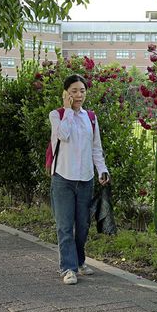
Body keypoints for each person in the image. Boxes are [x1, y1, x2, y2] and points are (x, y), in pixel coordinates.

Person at [49, 74, 110, 285]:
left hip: (85, 179)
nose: (78, 95)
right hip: (63, 179)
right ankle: (68, 267)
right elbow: (62, 136)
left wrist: (102, 169)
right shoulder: (56, 115)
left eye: (82, 91)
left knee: (83, 226)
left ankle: (80, 261)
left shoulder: (90, 117)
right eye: (74, 91)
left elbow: (96, 148)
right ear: (66, 93)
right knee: (65, 226)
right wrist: (67, 111)